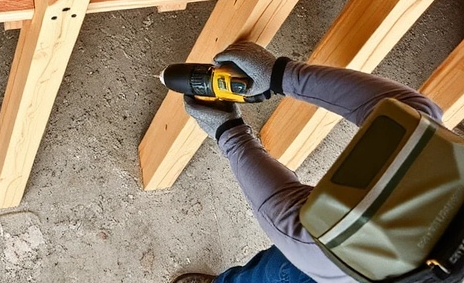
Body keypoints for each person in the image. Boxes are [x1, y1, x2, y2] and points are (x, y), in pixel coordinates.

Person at [171, 41, 446, 283]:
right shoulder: (447, 163)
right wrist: (281, 75)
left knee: (286, 272)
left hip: (356, 271)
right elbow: (405, 108)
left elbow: (286, 213)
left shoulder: (335, 253)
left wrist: (230, 133)